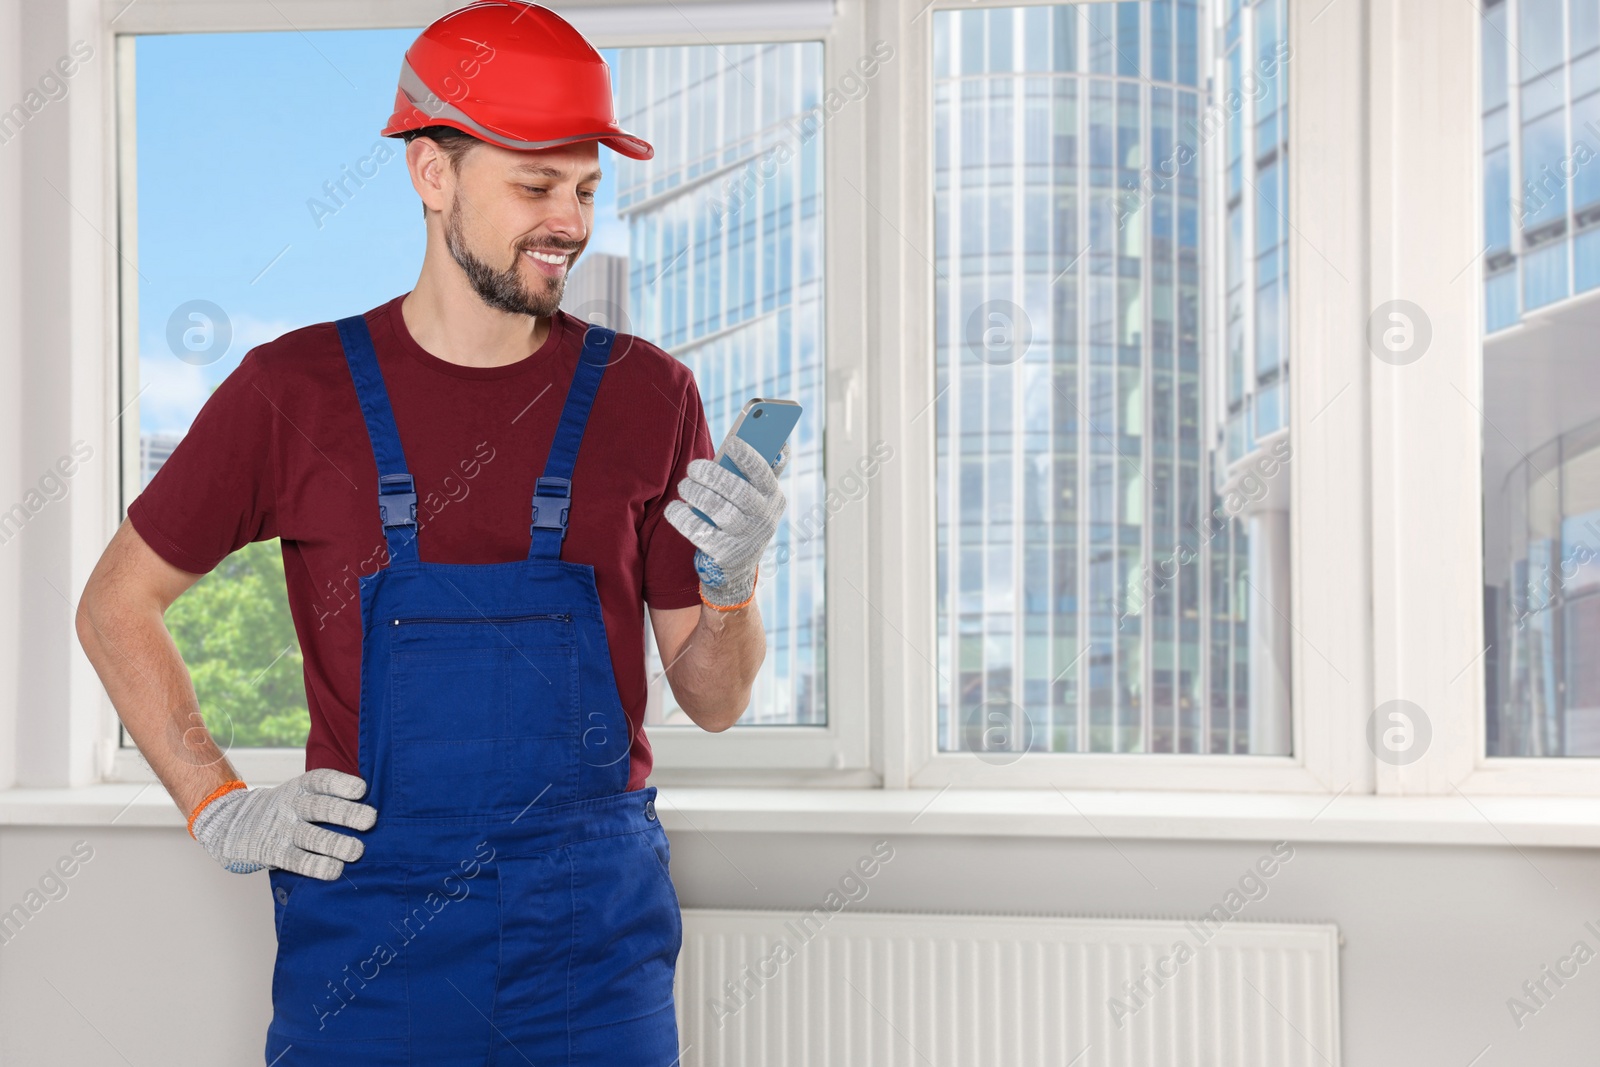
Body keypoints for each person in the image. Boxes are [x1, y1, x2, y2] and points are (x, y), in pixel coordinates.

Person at [72, 2, 789, 1062]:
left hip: (592, 945)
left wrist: (732, 586)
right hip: (371, 944)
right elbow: (114, 603)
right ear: (432, 174)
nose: (570, 222)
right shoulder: (292, 391)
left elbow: (715, 699)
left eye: (587, 188)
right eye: (535, 185)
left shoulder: (651, 393)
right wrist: (216, 801)